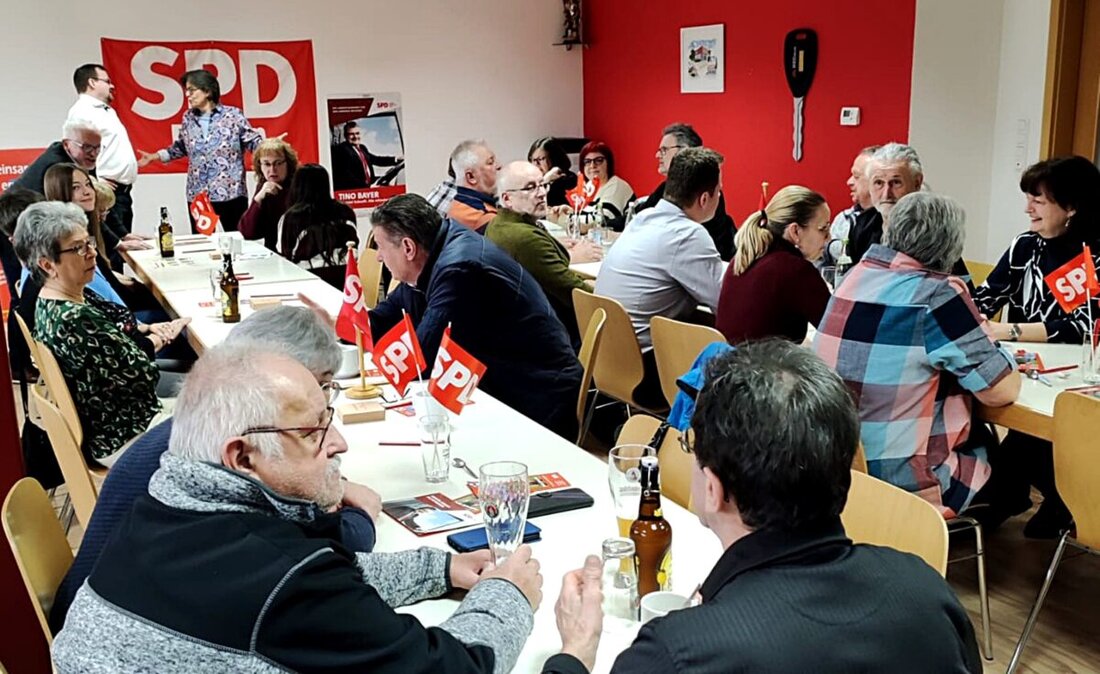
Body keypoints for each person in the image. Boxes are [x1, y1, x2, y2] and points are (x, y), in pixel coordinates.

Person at [52, 341, 603, 673]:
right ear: (242, 457)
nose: (338, 442)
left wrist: (439, 568)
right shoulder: (281, 582)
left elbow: (324, 580)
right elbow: (455, 669)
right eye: (314, 431)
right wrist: (515, 601)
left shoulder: (168, 500)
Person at [602, 341, 983, 673]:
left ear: (714, 489)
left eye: (691, 451)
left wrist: (572, 654)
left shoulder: (677, 652)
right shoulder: (926, 591)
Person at [48, 305, 379, 633]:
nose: (322, 406)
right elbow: (318, 549)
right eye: (318, 386)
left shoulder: (201, 427)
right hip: (121, 629)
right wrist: (359, 515)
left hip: (114, 610)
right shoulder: (211, 459)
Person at [813, 192, 1021, 517]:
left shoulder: (855, 277)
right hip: (902, 482)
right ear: (952, 247)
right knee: (1016, 464)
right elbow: (1000, 390)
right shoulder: (937, 294)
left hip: (834, 468)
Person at [369, 194, 583, 438]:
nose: (378, 256)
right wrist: (338, 325)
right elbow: (379, 322)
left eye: (380, 246)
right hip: (502, 389)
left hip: (537, 399)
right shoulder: (431, 253)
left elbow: (424, 361)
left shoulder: (459, 269)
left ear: (408, 247)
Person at [970, 155, 1100, 537]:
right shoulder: (1025, 247)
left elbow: (1081, 326)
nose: (1028, 208)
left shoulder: (1094, 254)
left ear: (1072, 206)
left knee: (1044, 429)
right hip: (1025, 368)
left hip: (1076, 372)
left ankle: (1031, 497)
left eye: (1038, 200)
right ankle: (1044, 498)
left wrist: (1006, 331)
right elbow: (985, 299)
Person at [13, 202, 186, 467]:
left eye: (89, 242)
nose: (91, 253)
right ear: (48, 265)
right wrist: (156, 338)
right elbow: (143, 375)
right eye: (78, 248)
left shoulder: (52, 301)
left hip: (116, 422)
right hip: (125, 434)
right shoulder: (75, 319)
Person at [594, 147, 724, 378]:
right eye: (718, 192)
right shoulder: (688, 234)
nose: (720, 197)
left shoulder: (642, 218)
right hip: (645, 372)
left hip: (603, 358)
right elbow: (724, 304)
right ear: (704, 198)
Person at [137, 69, 269, 232]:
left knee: (237, 242)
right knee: (203, 244)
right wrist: (155, 156)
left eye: (191, 90)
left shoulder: (232, 115)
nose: (187, 95)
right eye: (186, 91)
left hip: (230, 192)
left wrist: (271, 147)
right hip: (199, 194)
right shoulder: (188, 118)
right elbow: (181, 147)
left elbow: (252, 141)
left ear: (207, 91)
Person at [485, 161, 594, 349]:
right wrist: (612, 295)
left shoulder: (498, 224)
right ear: (507, 198)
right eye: (530, 188)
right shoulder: (525, 239)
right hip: (555, 338)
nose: (542, 193)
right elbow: (573, 291)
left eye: (542, 185)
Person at [716, 185, 831, 344]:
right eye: (823, 229)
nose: (828, 237)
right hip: (765, 366)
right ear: (795, 231)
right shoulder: (796, 270)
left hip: (726, 363)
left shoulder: (742, 259)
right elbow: (837, 331)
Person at [635, 123, 737, 260]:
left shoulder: (708, 192)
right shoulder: (663, 188)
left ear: (685, 151)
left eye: (664, 150)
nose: (657, 155)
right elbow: (641, 218)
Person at [66, 63, 138, 237]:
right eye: (107, 81)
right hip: (106, 193)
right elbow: (76, 153)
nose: (111, 86)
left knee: (124, 247)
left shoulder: (105, 110)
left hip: (122, 192)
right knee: (112, 251)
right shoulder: (82, 112)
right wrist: (94, 182)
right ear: (92, 82)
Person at [276, 164, 359, 288]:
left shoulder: (290, 218)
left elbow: (284, 255)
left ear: (297, 187)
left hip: (305, 283)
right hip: (346, 282)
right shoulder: (346, 211)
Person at [847, 142, 924, 265]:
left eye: (896, 182)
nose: (886, 194)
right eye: (878, 183)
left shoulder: (932, 228)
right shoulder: (864, 224)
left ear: (917, 183)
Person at [551, 141, 635, 232]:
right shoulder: (590, 186)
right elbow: (585, 216)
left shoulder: (616, 186)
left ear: (608, 163)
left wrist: (561, 219)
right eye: (587, 162)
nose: (592, 166)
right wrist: (569, 211)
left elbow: (599, 223)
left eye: (598, 160)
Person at [820, 144, 879, 268]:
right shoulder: (843, 220)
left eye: (856, 177)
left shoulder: (890, 223)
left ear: (876, 180)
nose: (849, 182)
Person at [239, 137, 299, 250]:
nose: (272, 170)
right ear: (259, 166)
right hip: (273, 256)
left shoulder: (299, 185)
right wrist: (258, 199)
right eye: (266, 164)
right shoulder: (264, 186)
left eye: (278, 163)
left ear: (288, 163)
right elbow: (248, 233)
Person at [11, 120, 101, 194]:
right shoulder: (56, 166)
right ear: (66, 144)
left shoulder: (82, 160)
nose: (94, 154)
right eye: (87, 147)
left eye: (98, 147)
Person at [332, 120, 401, 190]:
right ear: (346, 136)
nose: (355, 136)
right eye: (351, 134)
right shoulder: (341, 149)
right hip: (359, 189)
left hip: (371, 184)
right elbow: (346, 175)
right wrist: (367, 187)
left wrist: (395, 159)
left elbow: (376, 159)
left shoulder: (362, 148)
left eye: (357, 133)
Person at [447, 139, 499, 232]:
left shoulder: (458, 204)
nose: (499, 166)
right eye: (490, 163)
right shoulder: (482, 217)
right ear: (471, 176)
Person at [528, 136, 576, 207]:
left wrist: (546, 182)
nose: (536, 164)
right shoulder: (531, 181)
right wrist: (544, 180)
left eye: (541, 159)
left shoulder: (568, 179)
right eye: (533, 160)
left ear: (554, 159)